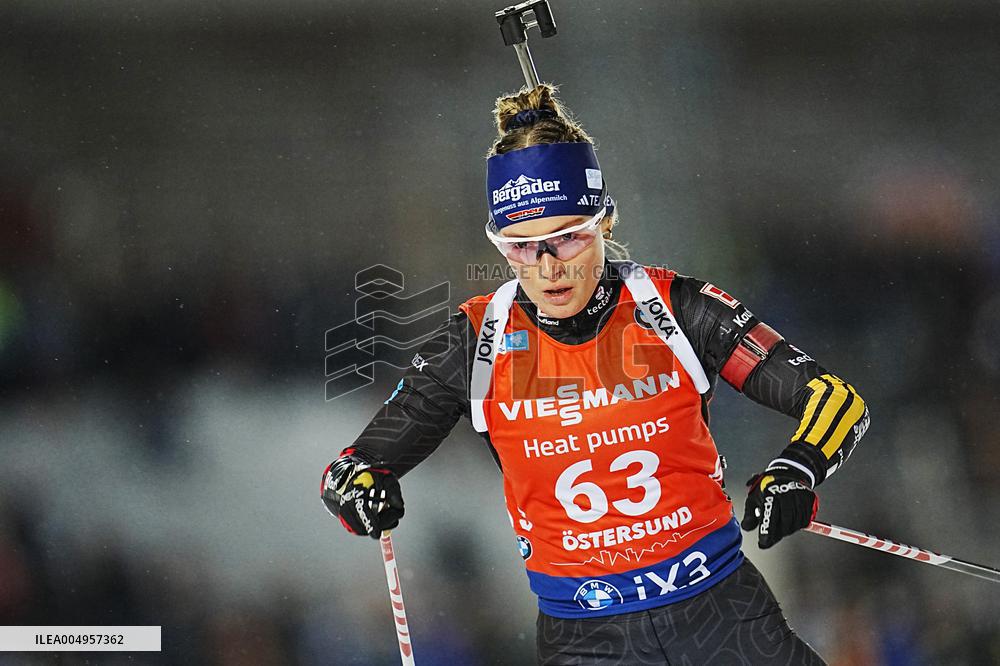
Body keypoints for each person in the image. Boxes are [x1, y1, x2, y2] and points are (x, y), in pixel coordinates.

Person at [321, 84, 869, 665]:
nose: (549, 265)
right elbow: (351, 470)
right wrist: (358, 489)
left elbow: (836, 401)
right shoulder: (473, 343)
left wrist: (796, 468)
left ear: (603, 221)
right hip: (587, 642)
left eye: (569, 237)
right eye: (522, 247)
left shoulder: (677, 309)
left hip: (722, 620)